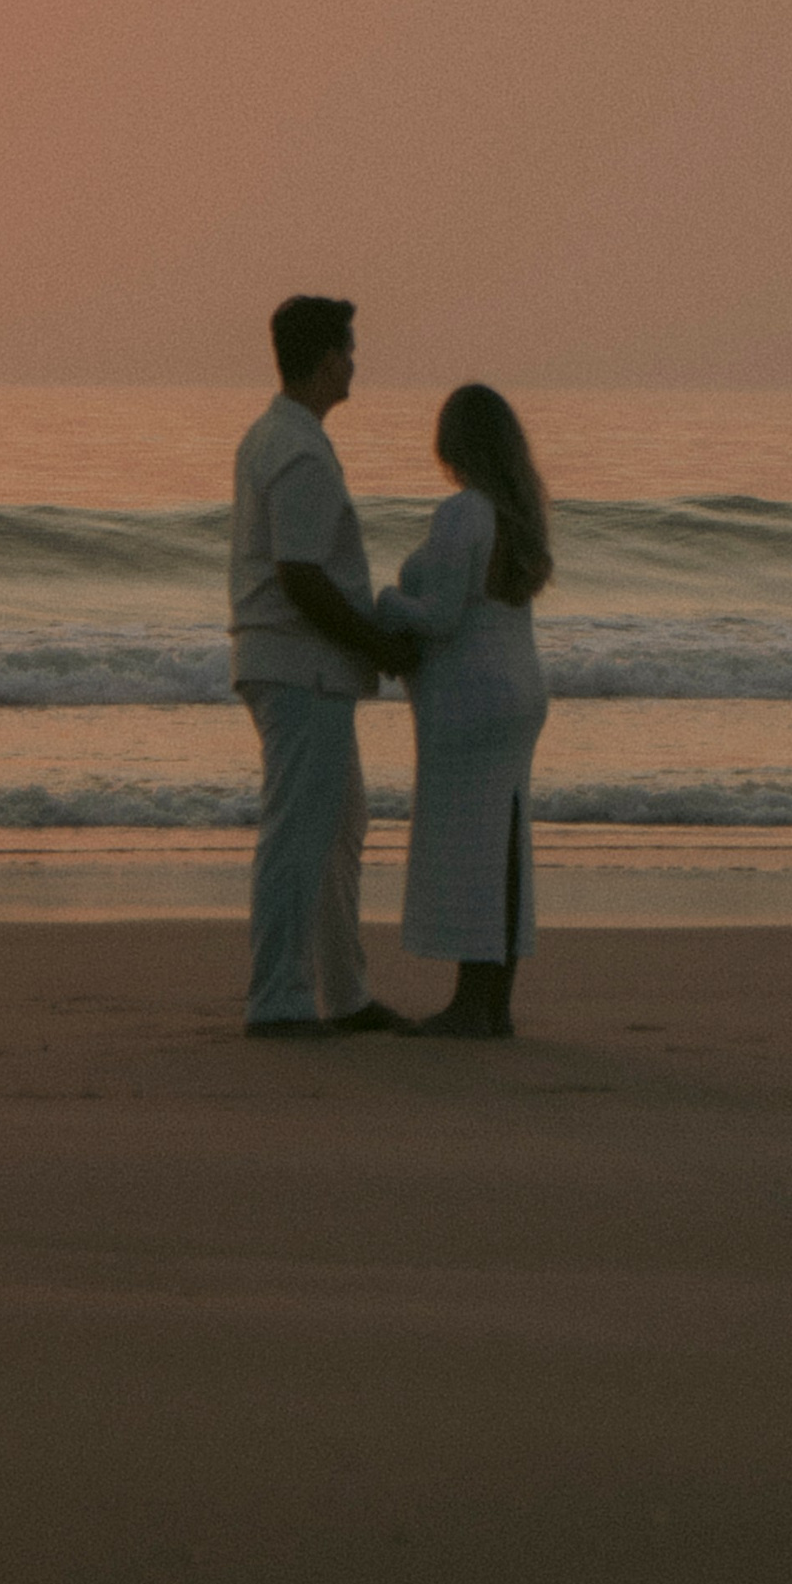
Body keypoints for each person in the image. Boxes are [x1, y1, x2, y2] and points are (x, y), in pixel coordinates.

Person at [231, 294, 417, 1040]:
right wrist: (375, 643)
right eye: (348, 349)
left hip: (295, 664)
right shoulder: (299, 449)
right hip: (300, 666)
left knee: (338, 827)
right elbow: (301, 574)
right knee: (301, 832)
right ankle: (278, 996)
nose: (354, 363)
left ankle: (343, 992)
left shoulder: (275, 435)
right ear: (324, 358)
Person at [376, 384, 552, 1039]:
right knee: (503, 844)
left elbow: (441, 617)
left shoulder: (463, 512)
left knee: (469, 849)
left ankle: (469, 1006)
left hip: (471, 700)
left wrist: (385, 601)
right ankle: (492, 1003)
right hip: (519, 691)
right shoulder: (518, 513)